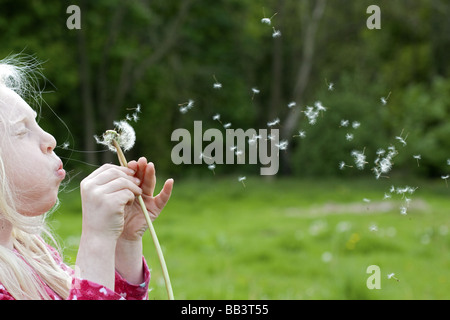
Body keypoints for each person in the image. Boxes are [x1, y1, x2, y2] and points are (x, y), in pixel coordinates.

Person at [0, 55, 174, 300]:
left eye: (37, 124)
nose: (50, 139)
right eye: (22, 131)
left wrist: (124, 240)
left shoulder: (35, 254)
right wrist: (96, 240)